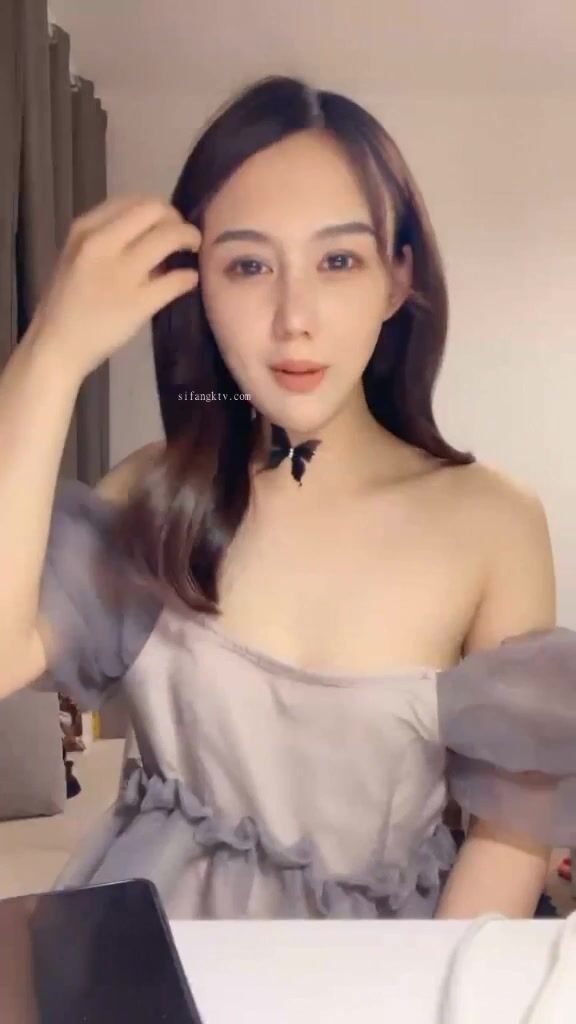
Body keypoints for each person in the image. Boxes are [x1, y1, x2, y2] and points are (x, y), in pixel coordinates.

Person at [0, 75, 574, 921]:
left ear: (396, 279)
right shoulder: (153, 493)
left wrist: (419, 990)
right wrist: (51, 354)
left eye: (338, 260)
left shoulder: (494, 523)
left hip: (380, 974)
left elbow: (509, 840)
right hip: (155, 952)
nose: (293, 317)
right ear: (198, 286)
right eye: (248, 265)